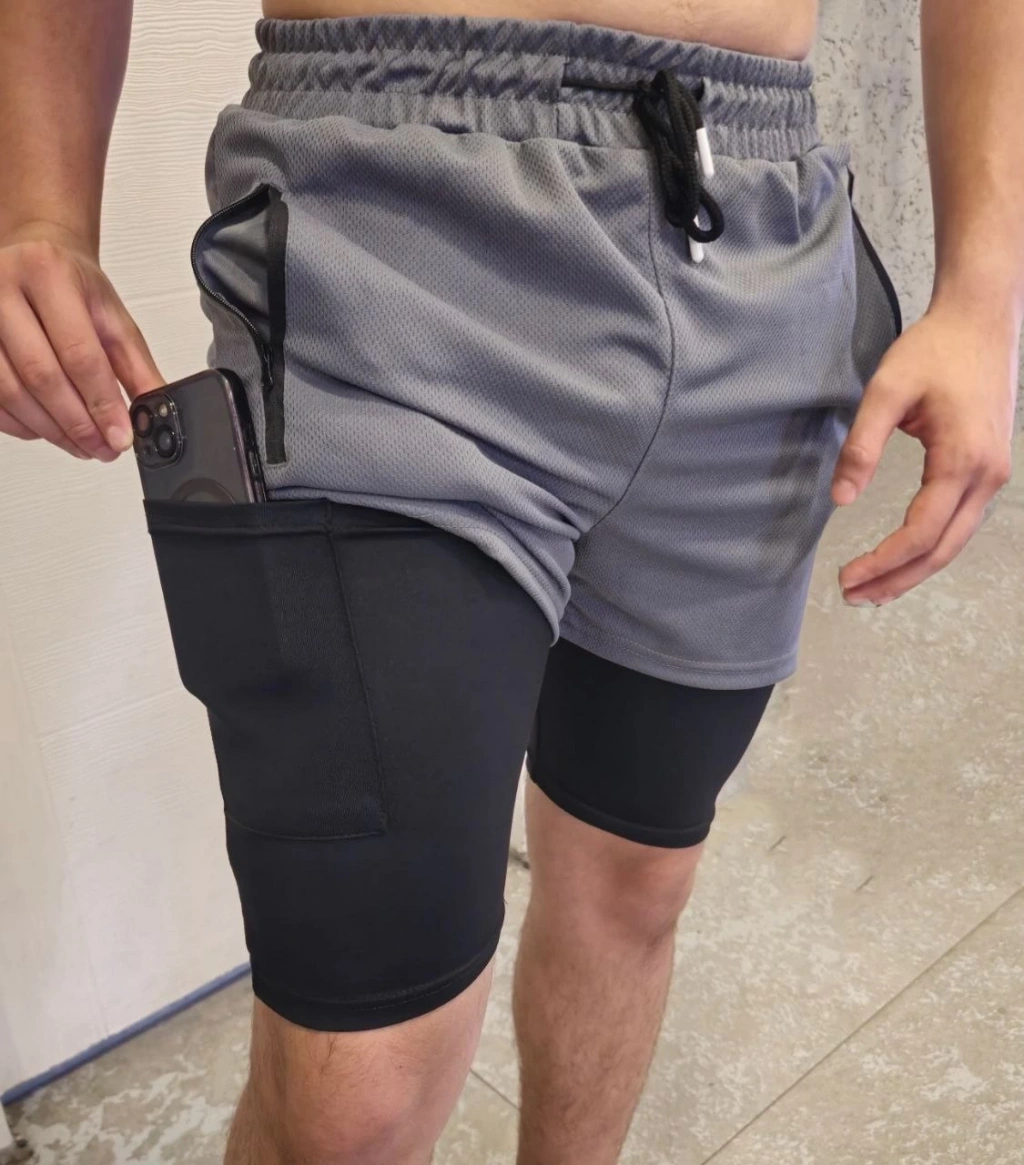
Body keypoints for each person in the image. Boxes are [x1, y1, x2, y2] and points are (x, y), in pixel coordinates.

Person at [1, 1, 1020, 1162]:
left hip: (753, 227)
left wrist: (984, 292)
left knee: (634, 887)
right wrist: (40, 206)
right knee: (357, 1086)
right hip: (388, 236)